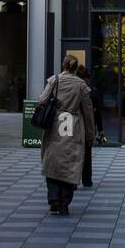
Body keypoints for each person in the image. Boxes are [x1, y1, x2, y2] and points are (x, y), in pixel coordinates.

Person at [38, 55, 95, 215]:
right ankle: (64, 203)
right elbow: (88, 111)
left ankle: (53, 198)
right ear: (76, 68)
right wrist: (90, 133)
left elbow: (42, 100)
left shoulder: (54, 80)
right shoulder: (81, 85)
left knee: (52, 161)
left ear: (63, 65)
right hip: (73, 125)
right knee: (71, 163)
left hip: (55, 124)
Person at [79, 66, 94, 188]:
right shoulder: (85, 89)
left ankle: (71, 181)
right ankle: (86, 179)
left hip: (66, 127)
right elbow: (89, 113)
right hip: (81, 126)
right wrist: (91, 133)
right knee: (86, 153)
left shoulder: (57, 82)